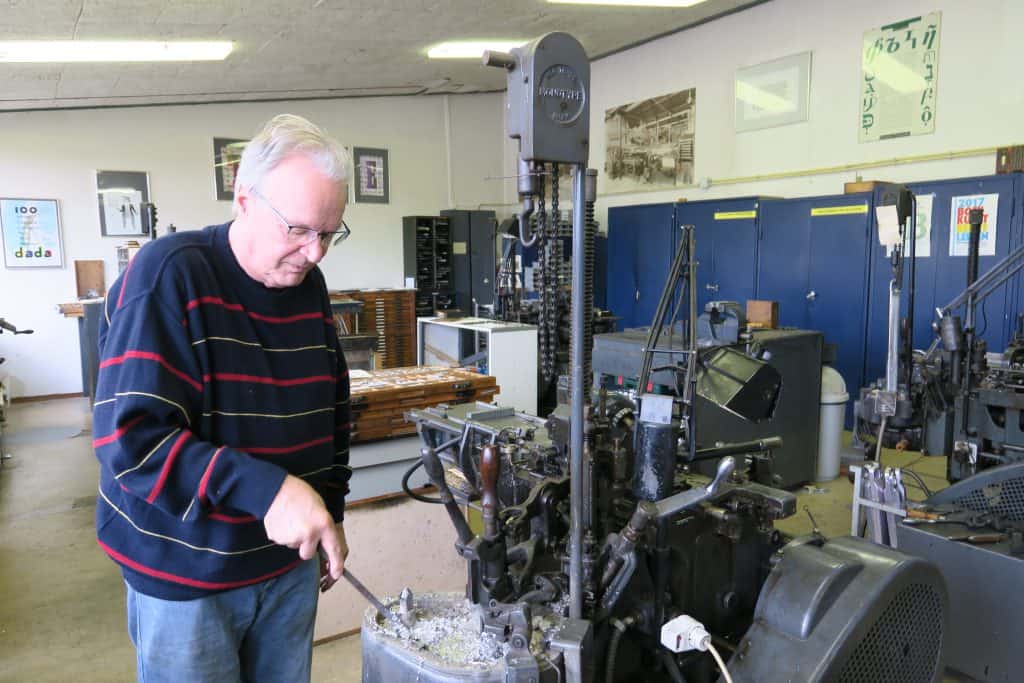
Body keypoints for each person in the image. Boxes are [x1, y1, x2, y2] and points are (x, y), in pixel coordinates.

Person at [93, 114, 353, 682]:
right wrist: (270, 492)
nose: (315, 254)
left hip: (287, 569)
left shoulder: (306, 283)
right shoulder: (169, 275)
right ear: (243, 198)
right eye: (300, 230)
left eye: (330, 233)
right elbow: (130, 443)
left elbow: (331, 407)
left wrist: (328, 511)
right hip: (189, 580)